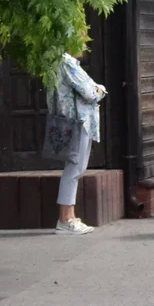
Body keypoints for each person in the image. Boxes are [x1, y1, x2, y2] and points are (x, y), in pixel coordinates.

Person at [48, 44, 106, 234]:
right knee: (74, 168)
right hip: (78, 121)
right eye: (81, 40)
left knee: (76, 168)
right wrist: (100, 90)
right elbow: (90, 92)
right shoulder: (67, 63)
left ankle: (69, 216)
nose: (85, 45)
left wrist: (96, 89)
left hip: (75, 121)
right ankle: (65, 219)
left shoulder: (64, 62)